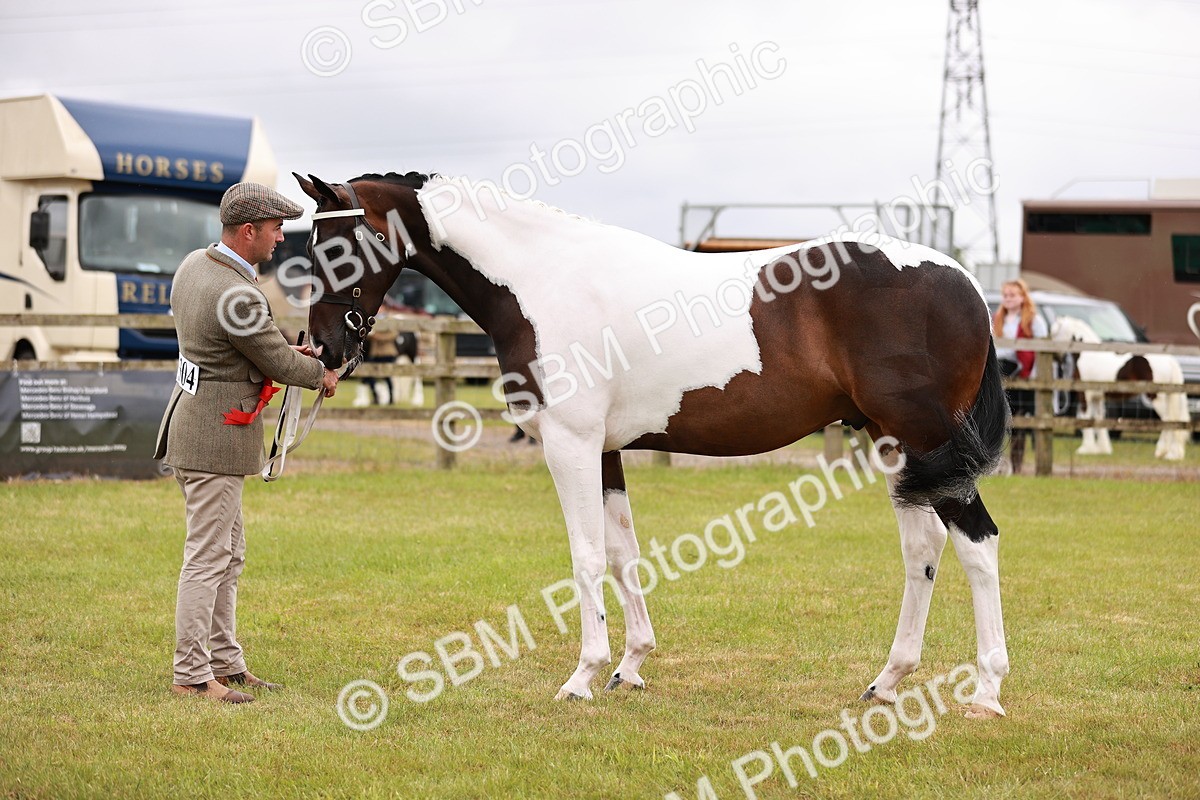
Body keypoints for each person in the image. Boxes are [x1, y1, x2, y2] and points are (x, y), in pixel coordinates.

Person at [155, 183, 339, 704]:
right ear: (249, 231)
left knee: (227, 554)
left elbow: (247, 341)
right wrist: (320, 373)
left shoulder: (195, 265)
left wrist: (289, 352)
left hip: (195, 428)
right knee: (209, 558)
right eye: (277, 229)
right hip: (214, 439)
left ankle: (225, 663)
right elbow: (275, 360)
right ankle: (193, 675)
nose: (281, 238)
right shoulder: (237, 292)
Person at [992, 278, 1048, 474]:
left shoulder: (1033, 320)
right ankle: (998, 463)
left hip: (1024, 375)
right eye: (1005, 295)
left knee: (1021, 421)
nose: (1008, 299)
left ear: (1023, 297)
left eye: (1013, 295)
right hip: (1002, 373)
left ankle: (1018, 465)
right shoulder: (997, 318)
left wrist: (1035, 375)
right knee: (999, 419)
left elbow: (1042, 350)